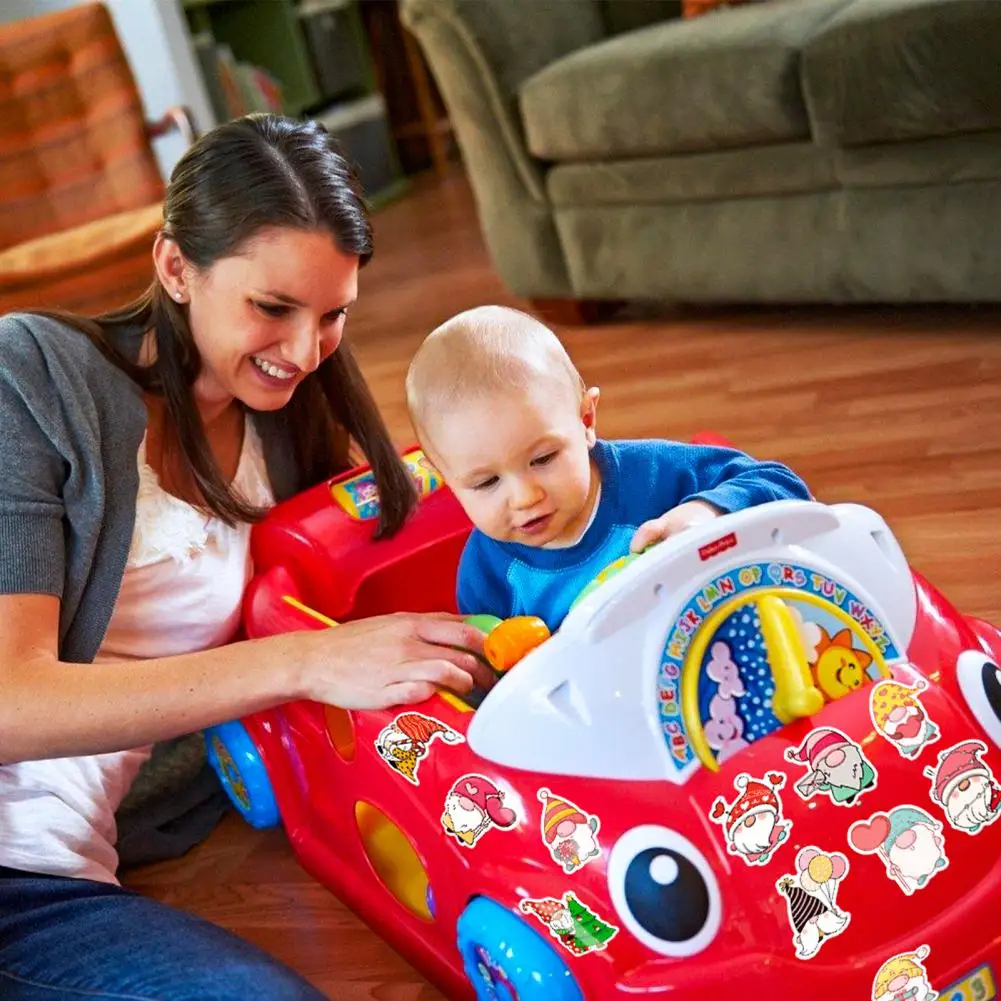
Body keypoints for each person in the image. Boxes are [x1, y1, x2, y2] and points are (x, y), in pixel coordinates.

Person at [0, 114, 493, 1000]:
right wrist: (303, 662)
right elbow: (10, 700)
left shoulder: (286, 433)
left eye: (332, 314)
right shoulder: (32, 374)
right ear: (175, 267)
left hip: (55, 876)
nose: (305, 352)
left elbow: (403, 566)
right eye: (272, 308)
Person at [405, 305, 811, 631]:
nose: (526, 496)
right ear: (446, 477)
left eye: (544, 459)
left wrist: (705, 512)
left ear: (586, 421)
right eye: (487, 482)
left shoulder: (655, 474)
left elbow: (783, 486)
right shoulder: (487, 576)